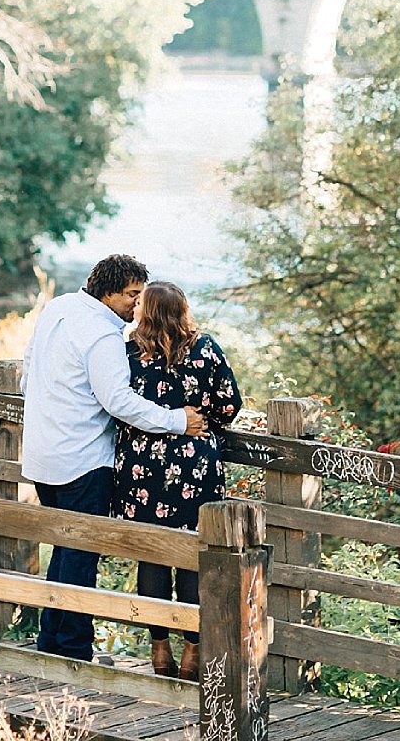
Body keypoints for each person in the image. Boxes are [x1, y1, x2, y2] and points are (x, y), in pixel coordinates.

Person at [19, 254, 207, 661]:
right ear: (108, 292)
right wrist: (178, 421)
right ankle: (74, 650)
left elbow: (27, 370)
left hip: (42, 452)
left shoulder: (59, 307)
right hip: (81, 460)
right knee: (80, 555)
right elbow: (119, 401)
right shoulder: (103, 336)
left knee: (62, 547)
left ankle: (50, 641)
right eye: (131, 296)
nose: (136, 307)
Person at [113, 281, 244, 678]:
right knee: (191, 558)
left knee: (152, 557)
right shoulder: (205, 348)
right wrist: (203, 423)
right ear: (184, 309)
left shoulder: (128, 352)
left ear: (144, 310)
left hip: (142, 470)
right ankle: (192, 651)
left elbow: (114, 405)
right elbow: (231, 402)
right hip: (194, 465)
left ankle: (158, 650)